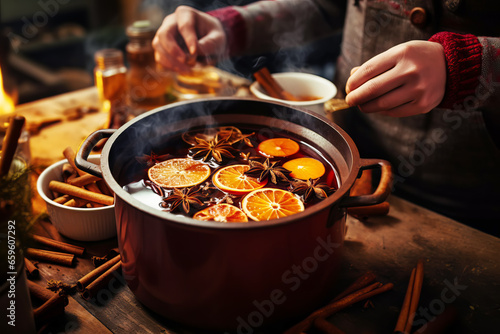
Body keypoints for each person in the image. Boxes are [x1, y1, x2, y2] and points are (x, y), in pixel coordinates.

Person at [152, 0, 500, 236]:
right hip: (346, 159)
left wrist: (474, 65)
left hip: (470, 192)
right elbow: (324, 4)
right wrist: (229, 25)